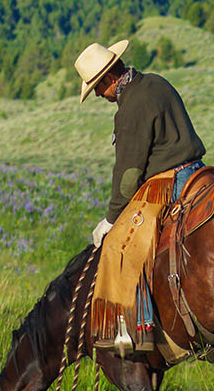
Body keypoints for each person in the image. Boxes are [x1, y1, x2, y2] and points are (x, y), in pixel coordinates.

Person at [74, 39, 206, 247]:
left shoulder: (130, 109)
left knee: (125, 250)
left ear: (109, 78)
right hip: (200, 172)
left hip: (171, 186)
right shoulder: (157, 81)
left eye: (97, 87)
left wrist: (111, 219)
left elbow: (129, 174)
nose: (98, 94)